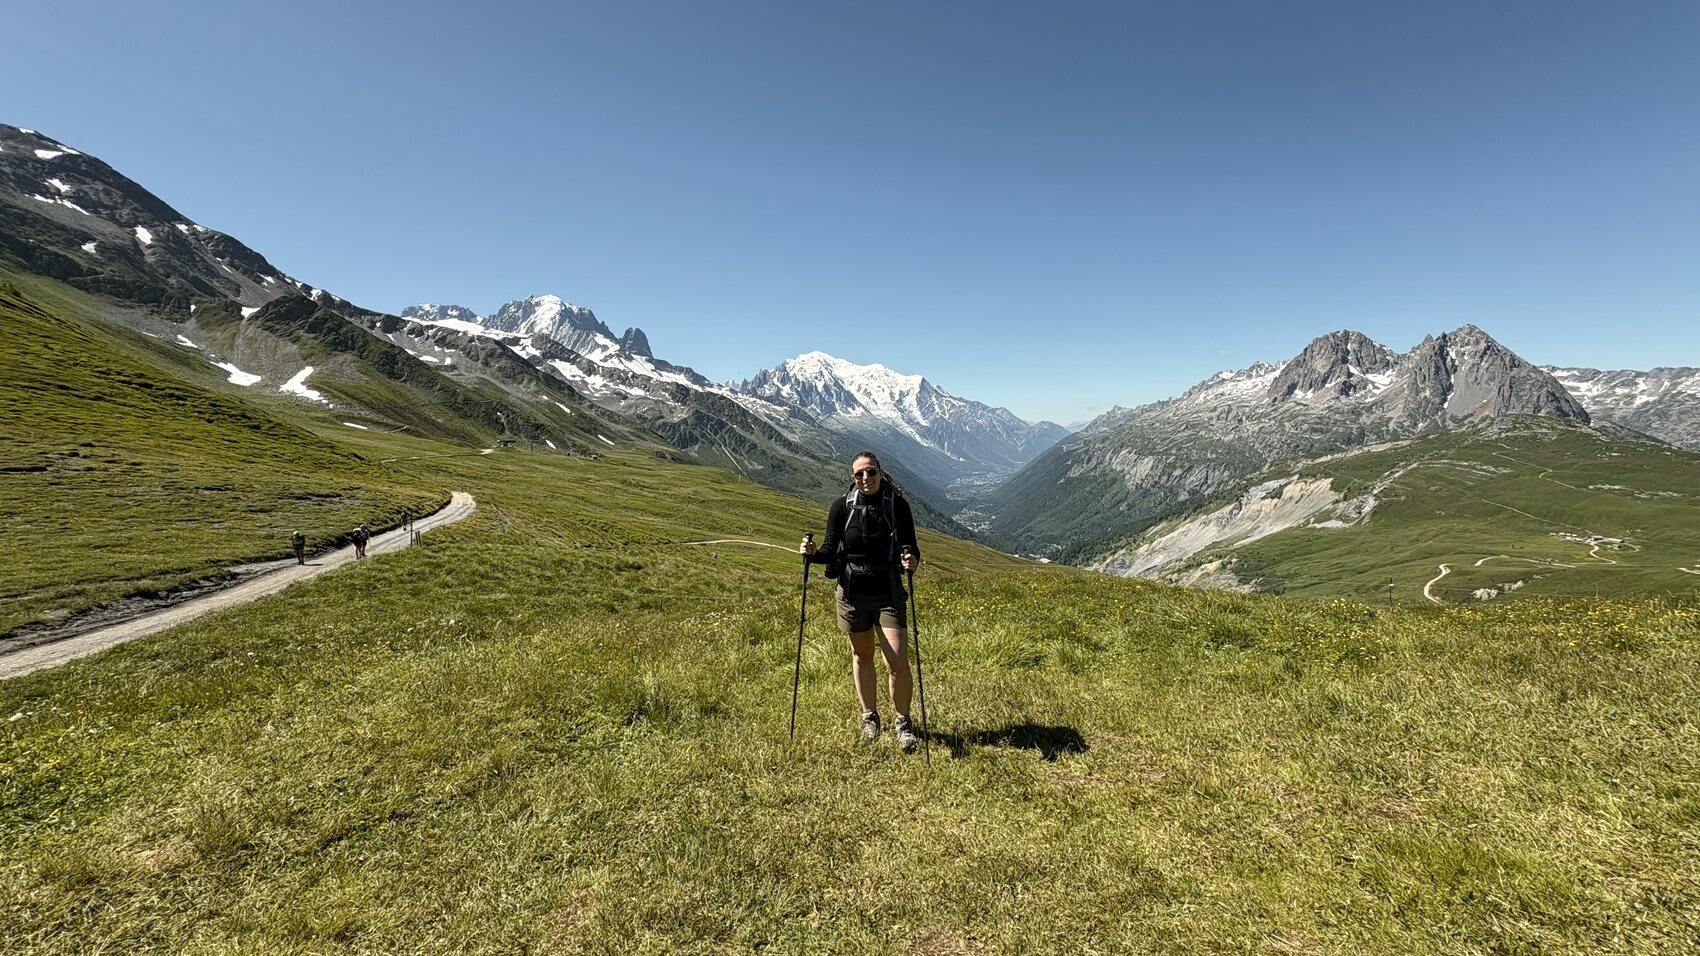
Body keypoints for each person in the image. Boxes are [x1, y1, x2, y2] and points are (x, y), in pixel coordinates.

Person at [800, 451, 924, 752]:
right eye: (859, 474)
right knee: (861, 656)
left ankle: (903, 722)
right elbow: (830, 549)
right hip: (852, 593)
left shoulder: (898, 506)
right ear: (852, 478)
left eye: (870, 472)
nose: (865, 479)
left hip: (888, 592)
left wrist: (912, 561)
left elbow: (912, 547)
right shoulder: (842, 507)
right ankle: (870, 717)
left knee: (896, 661)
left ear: (881, 473)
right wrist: (812, 553)